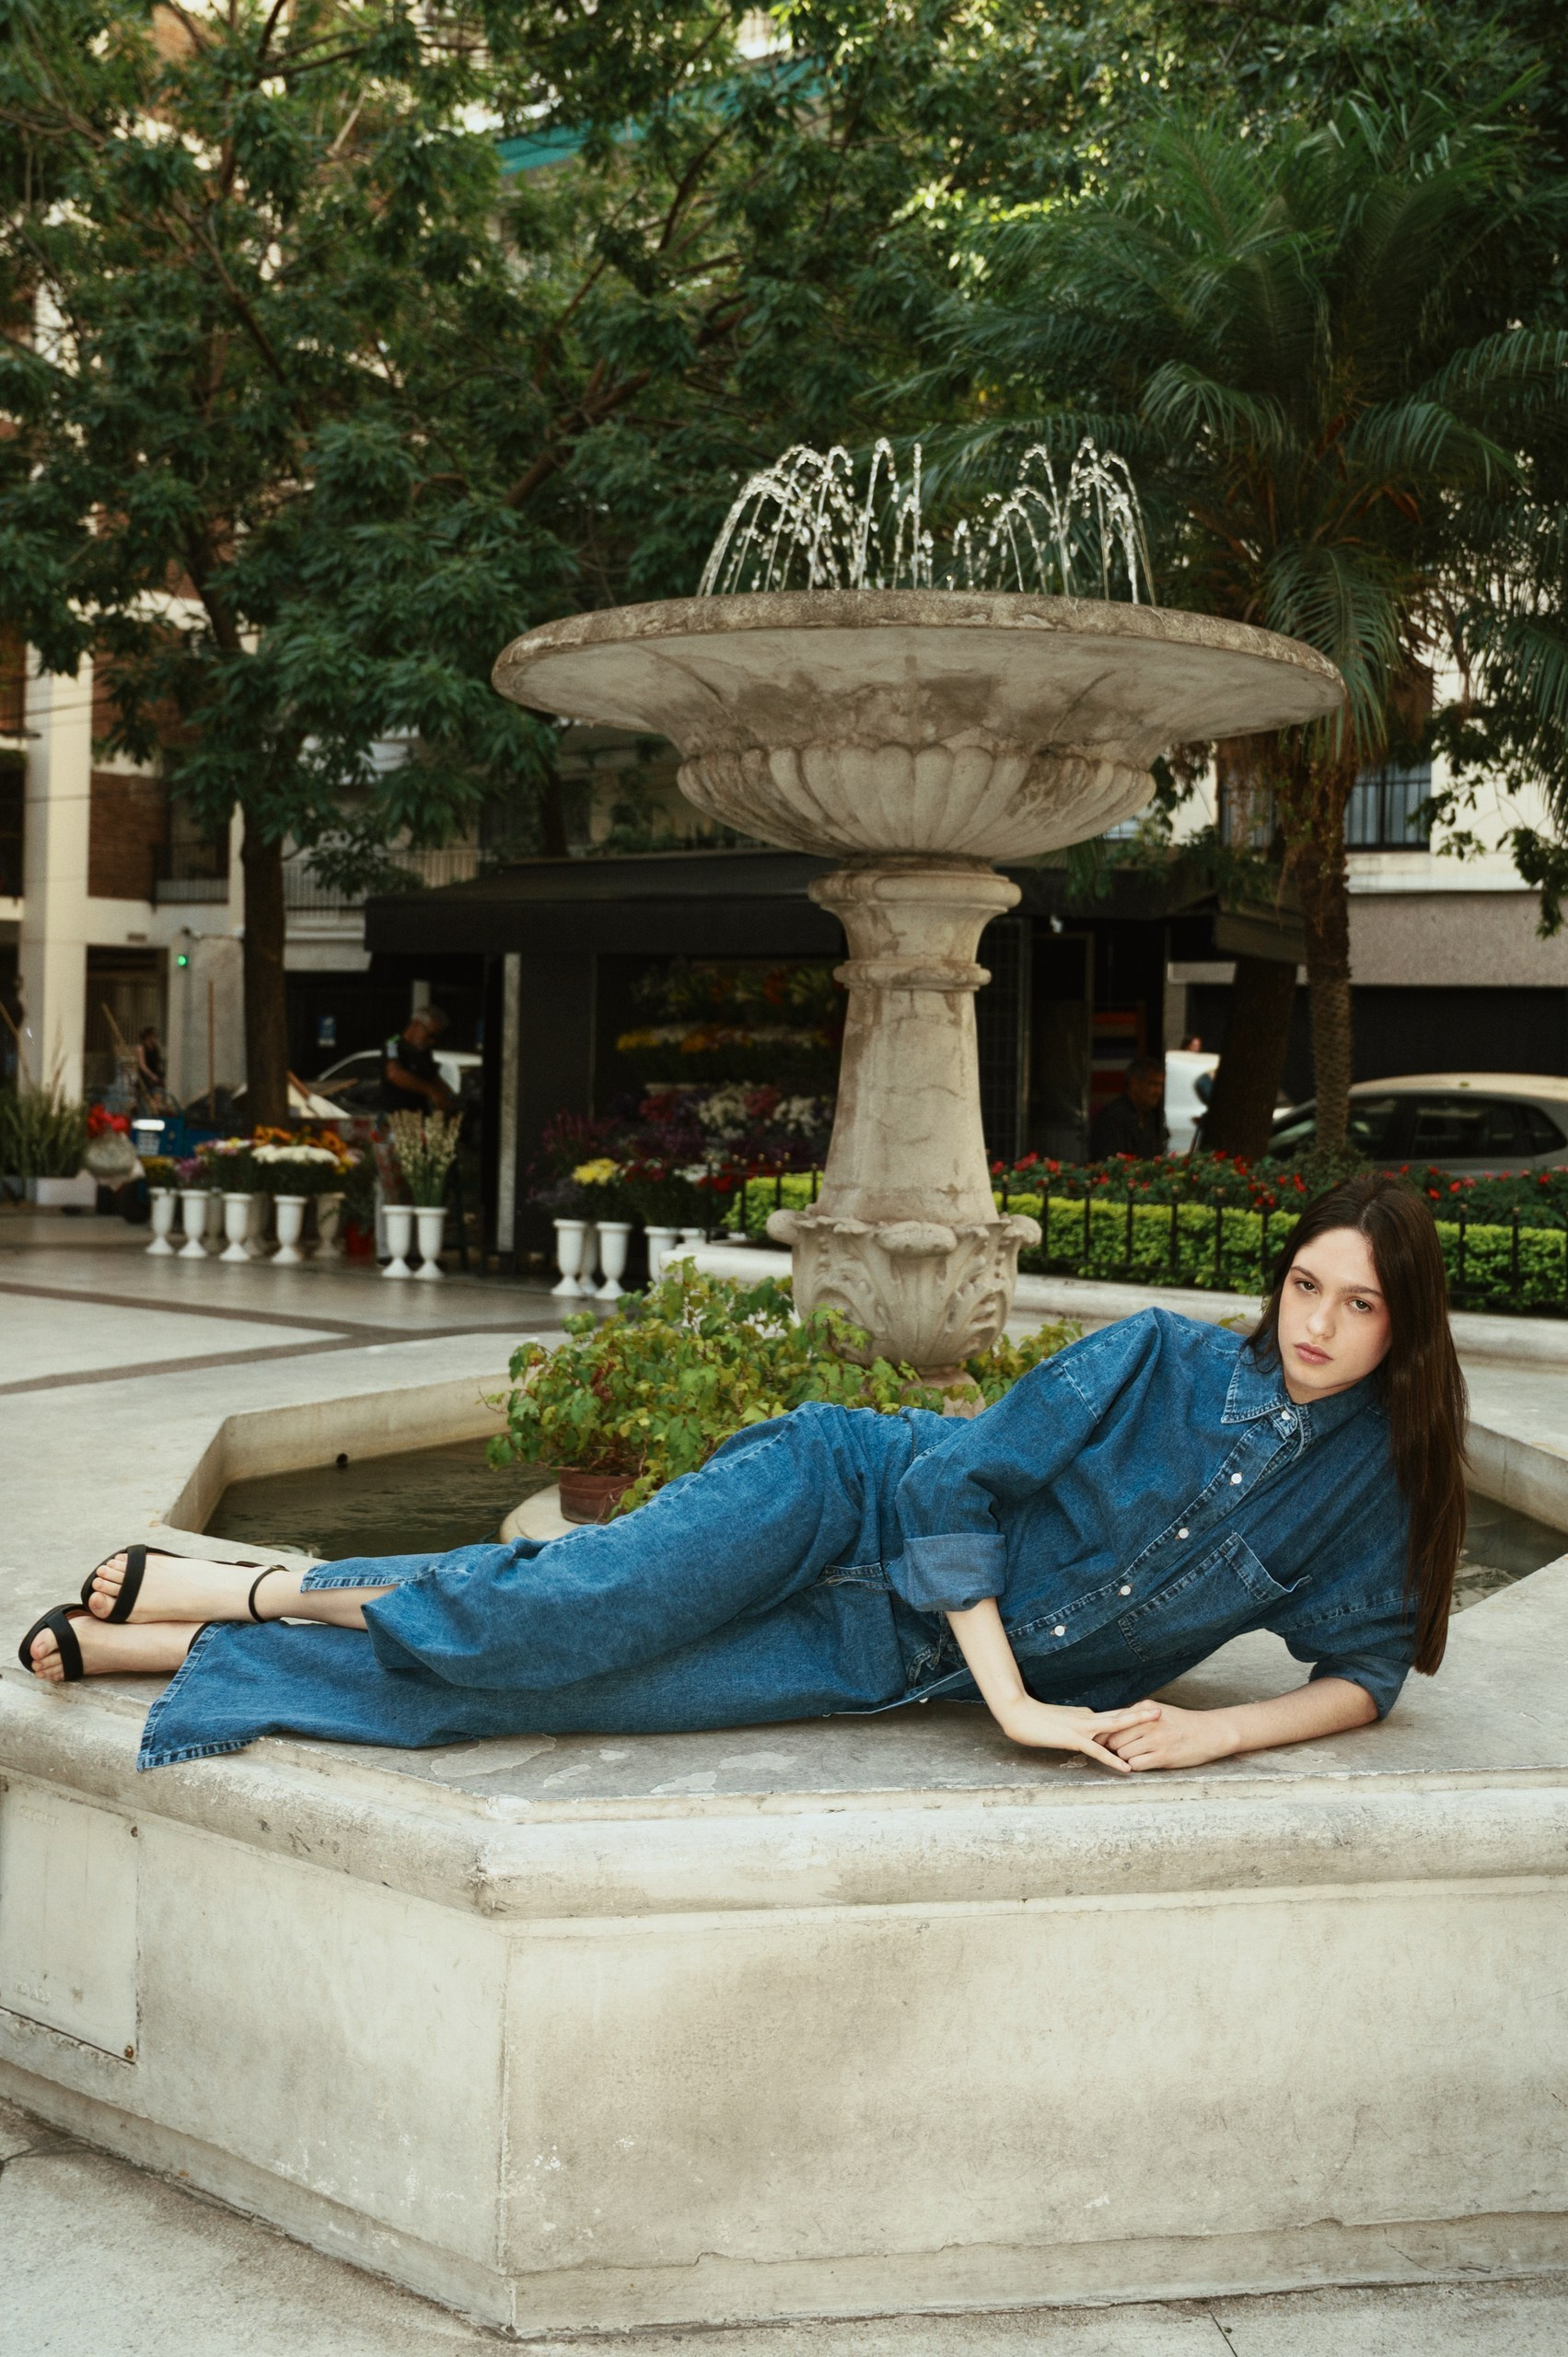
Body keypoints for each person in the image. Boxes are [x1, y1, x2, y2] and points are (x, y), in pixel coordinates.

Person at [20, 1175, 1468, 1779]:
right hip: (836, 1495)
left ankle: (181, 1645)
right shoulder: (1154, 1356)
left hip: (880, 1652)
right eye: (1303, 1284)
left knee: (556, 1685)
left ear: (1400, 1331)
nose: (1314, 1324)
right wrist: (1020, 1706)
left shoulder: (1370, 1489)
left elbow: (1362, 1674)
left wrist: (1212, 1735)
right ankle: (261, 1588)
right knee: (563, 1609)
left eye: (1355, 1305)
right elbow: (950, 1493)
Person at [1088, 1052, 1168, 1159]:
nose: (1158, 1092)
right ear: (1134, 1083)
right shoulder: (1113, 1117)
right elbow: (1111, 1161)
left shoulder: (1148, 1117)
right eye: (1153, 1084)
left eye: (1161, 1085)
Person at [380, 1007, 458, 1118]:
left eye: (436, 1038)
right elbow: (394, 1074)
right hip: (397, 1117)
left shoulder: (424, 1051)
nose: (432, 1042)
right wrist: (430, 1091)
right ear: (417, 1025)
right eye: (430, 1035)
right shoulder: (392, 1043)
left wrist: (449, 1097)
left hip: (420, 1116)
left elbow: (433, 1078)